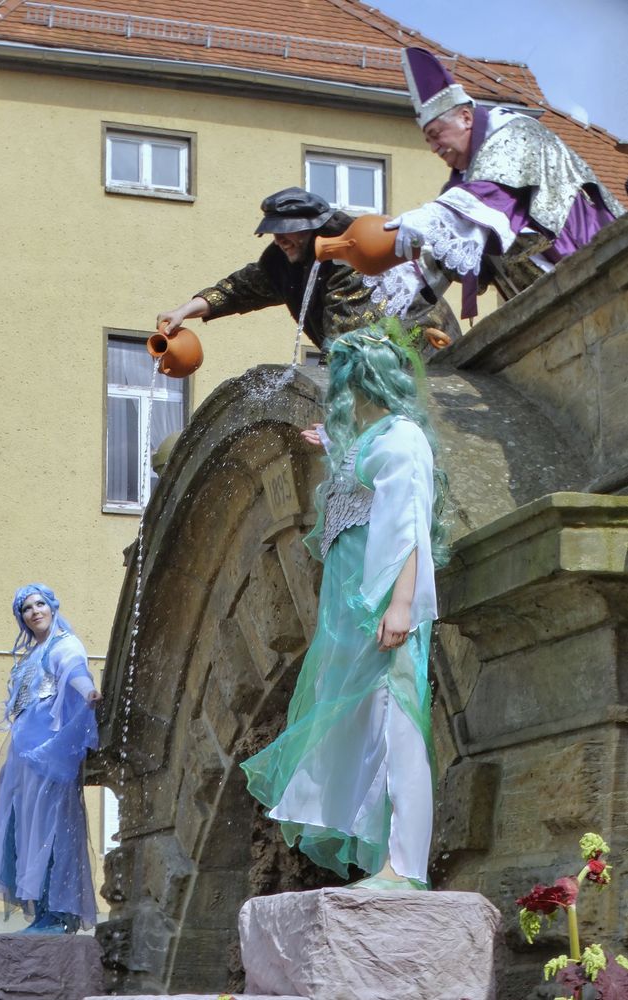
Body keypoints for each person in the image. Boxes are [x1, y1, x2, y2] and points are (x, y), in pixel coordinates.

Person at [241, 325, 447, 889]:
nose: (337, 393)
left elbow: (408, 526)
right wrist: (337, 447)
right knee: (363, 724)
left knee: (394, 721)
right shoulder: (378, 437)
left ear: (363, 382)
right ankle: (384, 860)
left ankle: (404, 866)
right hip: (353, 611)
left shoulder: (402, 439)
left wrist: (401, 603)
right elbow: (366, 488)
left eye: (343, 382)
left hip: (379, 605)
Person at [365, 48, 624, 322]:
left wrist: (425, 219)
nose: (433, 148)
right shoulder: (461, 190)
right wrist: (392, 291)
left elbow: (492, 196)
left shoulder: (515, 133)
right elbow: (443, 255)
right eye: (428, 140)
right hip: (544, 305)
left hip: (592, 270)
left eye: (435, 135)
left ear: (466, 118)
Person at [156, 186, 459, 355]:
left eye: (288, 231)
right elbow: (239, 289)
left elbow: (346, 340)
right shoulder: (283, 261)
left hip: (426, 349)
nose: (280, 239)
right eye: (275, 232)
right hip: (379, 354)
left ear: (313, 230)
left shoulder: (349, 257)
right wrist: (184, 311)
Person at [0, 584, 100, 932]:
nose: (35, 611)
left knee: (52, 827)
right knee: (23, 829)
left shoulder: (64, 644)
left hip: (49, 749)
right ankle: (43, 911)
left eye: (40, 604)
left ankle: (58, 914)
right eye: (27, 608)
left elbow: (75, 671)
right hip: (23, 752)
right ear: (23, 618)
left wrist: (88, 691)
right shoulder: (31, 657)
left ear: (52, 606)